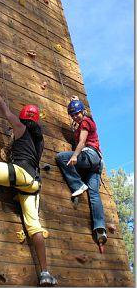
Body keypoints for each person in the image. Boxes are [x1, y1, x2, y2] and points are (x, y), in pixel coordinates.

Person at [0, 84, 57, 286]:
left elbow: (5, 110)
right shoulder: (38, 141)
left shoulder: (21, 128)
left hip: (21, 175)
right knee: (34, 227)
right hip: (33, 185)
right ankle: (46, 273)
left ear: (23, 119)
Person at [55, 96, 107, 246]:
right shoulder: (87, 120)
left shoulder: (85, 121)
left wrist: (76, 155)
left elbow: (83, 141)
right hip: (96, 164)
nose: (75, 117)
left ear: (83, 111)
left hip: (90, 155)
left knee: (61, 158)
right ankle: (100, 228)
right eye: (72, 115)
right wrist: (76, 100)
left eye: (77, 113)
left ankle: (77, 185)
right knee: (94, 195)